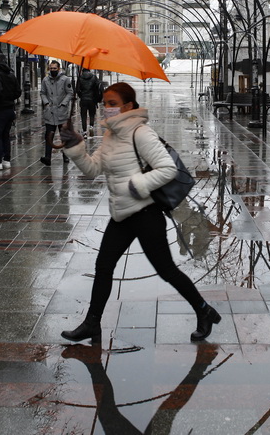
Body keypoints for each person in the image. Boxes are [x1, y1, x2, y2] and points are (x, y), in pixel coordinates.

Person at [58, 82, 220, 343]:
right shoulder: (111, 135)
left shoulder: (141, 132)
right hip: (122, 215)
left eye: (112, 103)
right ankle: (92, 324)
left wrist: (139, 184)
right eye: (105, 103)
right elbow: (93, 169)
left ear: (128, 106)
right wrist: (76, 147)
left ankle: (204, 310)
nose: (107, 108)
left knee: (166, 270)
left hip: (146, 214)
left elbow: (168, 169)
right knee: (103, 267)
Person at [40, 60, 74, 166]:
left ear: (58, 68)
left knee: (64, 135)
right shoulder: (45, 80)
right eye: (51, 68)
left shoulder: (65, 79)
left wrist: (64, 104)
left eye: (54, 68)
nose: (53, 70)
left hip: (61, 111)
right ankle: (47, 157)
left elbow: (70, 93)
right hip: (50, 112)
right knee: (49, 135)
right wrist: (46, 103)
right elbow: (42, 93)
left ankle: (66, 155)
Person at [77, 68, 102, 137]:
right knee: (92, 114)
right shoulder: (94, 77)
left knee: (83, 116)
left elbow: (78, 90)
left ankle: (84, 132)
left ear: (82, 71)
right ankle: (91, 126)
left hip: (83, 99)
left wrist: (81, 96)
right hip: (92, 99)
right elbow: (98, 87)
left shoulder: (80, 78)